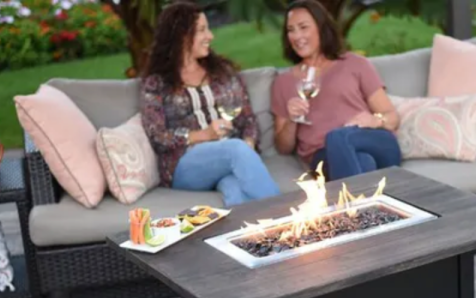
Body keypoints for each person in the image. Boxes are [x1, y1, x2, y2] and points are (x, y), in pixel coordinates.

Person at [140, 1, 280, 207]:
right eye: (202, 30)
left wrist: (248, 147)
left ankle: (251, 235)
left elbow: (247, 118)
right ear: (181, 36)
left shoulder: (222, 71)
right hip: (184, 165)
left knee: (235, 189)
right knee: (234, 150)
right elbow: (157, 136)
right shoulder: (157, 83)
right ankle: (288, 214)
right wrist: (203, 135)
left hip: (227, 157)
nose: (210, 36)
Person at [270, 0, 402, 181]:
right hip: (323, 157)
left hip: (373, 139)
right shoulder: (283, 83)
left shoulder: (355, 64)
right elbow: (283, 147)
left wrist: (375, 120)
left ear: (321, 28)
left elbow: (392, 117)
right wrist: (292, 120)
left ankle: (353, 207)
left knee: (338, 138)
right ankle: (365, 206)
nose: (296, 36)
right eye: (290, 30)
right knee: (363, 162)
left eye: (303, 27)